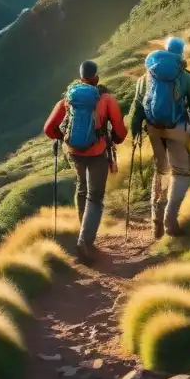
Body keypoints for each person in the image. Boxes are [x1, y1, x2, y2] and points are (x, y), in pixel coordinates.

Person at [44, 60, 127, 264]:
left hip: (74, 152)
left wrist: (64, 137)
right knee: (95, 197)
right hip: (97, 153)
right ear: (96, 77)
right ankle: (85, 241)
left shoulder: (69, 98)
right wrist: (113, 140)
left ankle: (84, 234)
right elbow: (119, 130)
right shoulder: (105, 99)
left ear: (81, 77)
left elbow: (48, 128)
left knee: (82, 189)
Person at [129, 36, 190, 239]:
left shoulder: (145, 76)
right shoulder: (187, 77)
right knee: (181, 174)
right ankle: (170, 221)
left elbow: (136, 108)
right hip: (179, 129)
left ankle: (156, 225)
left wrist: (134, 131)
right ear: (181, 54)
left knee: (161, 171)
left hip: (154, 130)